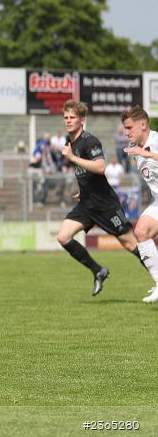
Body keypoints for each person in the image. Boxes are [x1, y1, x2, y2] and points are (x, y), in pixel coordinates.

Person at [56, 100, 145, 297]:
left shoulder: (90, 141)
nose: (68, 121)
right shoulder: (70, 142)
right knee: (63, 236)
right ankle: (98, 271)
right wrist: (83, 189)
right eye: (66, 117)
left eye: (72, 117)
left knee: (131, 245)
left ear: (82, 120)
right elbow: (85, 172)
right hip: (87, 204)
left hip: (105, 205)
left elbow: (100, 167)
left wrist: (72, 158)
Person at [120, 105, 158, 303]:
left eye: (129, 128)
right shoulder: (135, 151)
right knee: (141, 231)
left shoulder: (156, 141)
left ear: (142, 125)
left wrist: (150, 155)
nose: (126, 133)